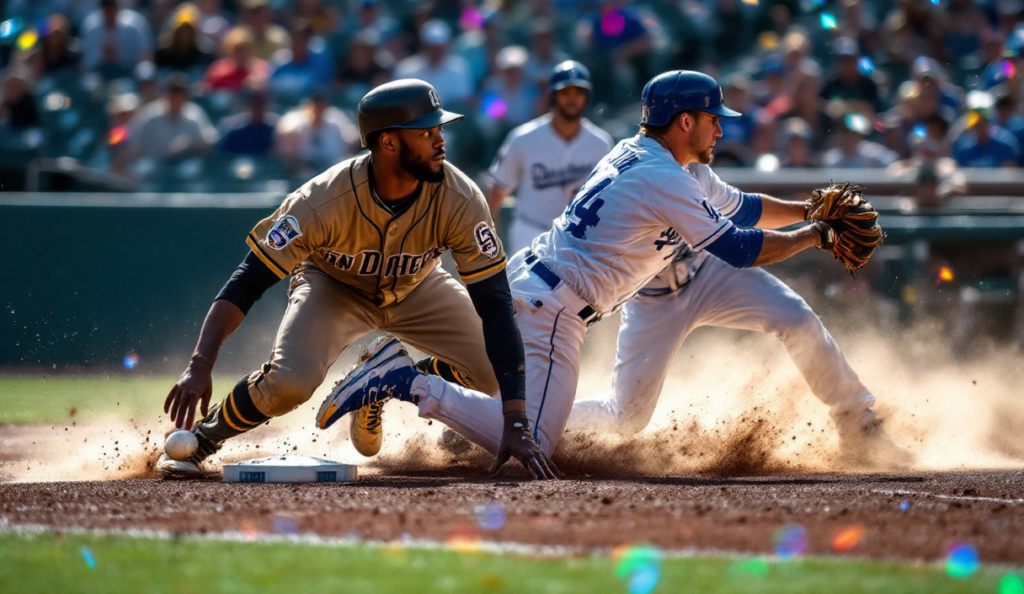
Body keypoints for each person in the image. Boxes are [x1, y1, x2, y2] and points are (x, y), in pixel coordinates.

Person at [318, 71, 911, 469]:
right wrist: (812, 236)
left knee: (786, 323)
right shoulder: (663, 176)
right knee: (542, 442)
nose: (721, 126)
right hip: (565, 303)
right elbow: (737, 245)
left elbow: (744, 207)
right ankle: (410, 382)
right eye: (712, 117)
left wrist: (809, 210)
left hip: (575, 287)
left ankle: (858, 422)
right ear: (684, 122)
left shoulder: (656, 157)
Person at [160, 79, 558, 481]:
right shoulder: (320, 200)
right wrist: (200, 362)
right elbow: (248, 281)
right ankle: (204, 437)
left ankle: (389, 379)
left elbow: (494, 304)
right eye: (426, 133)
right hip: (334, 287)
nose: (440, 142)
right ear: (387, 143)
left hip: (418, 285)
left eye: (439, 130)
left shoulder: (462, 198)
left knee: (488, 372)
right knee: (290, 383)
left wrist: (516, 419)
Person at [487, 61, 613, 252]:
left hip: (580, 235)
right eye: (565, 93)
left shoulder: (601, 143)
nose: (572, 99)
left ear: (587, 97)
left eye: (578, 93)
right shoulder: (523, 138)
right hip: (531, 231)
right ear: (553, 97)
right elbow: (499, 189)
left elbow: (611, 197)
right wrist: (489, 235)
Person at [117, 73, 217, 172]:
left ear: (186, 96)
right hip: (154, 167)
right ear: (165, 94)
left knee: (191, 170)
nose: (177, 98)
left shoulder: (194, 113)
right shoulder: (149, 114)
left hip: (183, 166)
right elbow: (131, 143)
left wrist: (189, 145)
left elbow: (211, 141)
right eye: (173, 93)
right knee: (144, 168)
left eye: (180, 94)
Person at [274, 91, 360, 177]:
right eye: (315, 104)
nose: (318, 108)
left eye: (320, 105)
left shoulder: (336, 120)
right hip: (307, 169)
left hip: (334, 167)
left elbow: (352, 141)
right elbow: (284, 134)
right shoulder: (300, 122)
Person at [394, 20, 474, 105]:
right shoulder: (406, 69)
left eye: (439, 47)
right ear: (423, 45)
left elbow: (465, 101)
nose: (436, 52)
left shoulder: (459, 68)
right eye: (432, 47)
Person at [80, 0, 153, 75]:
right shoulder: (91, 27)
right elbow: (87, 62)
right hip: (98, 73)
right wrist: (103, 56)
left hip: (129, 73)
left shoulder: (134, 26)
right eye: (106, 8)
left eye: (113, 8)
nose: (110, 12)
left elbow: (144, 56)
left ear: (118, 7)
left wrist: (120, 56)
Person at [218, 89, 280, 157]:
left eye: (261, 103)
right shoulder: (235, 133)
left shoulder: (275, 133)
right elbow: (223, 154)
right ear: (248, 105)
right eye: (254, 103)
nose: (257, 108)